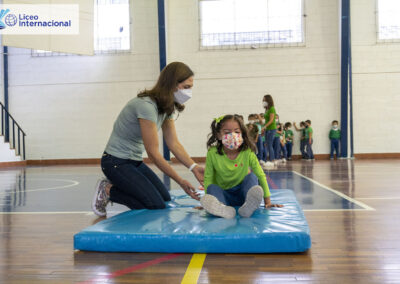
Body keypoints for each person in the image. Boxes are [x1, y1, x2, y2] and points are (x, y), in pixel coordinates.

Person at [91, 62, 204, 217]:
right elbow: (153, 153)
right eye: (186, 87)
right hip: (115, 162)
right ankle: (108, 190)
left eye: (190, 87)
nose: (189, 91)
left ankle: (117, 187)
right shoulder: (146, 106)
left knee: (164, 198)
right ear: (172, 85)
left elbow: (173, 143)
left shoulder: (166, 106)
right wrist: (180, 180)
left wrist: (193, 167)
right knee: (154, 205)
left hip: (134, 161)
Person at [200, 115, 283, 219]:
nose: (233, 135)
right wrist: (208, 197)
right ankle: (223, 209)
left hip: (243, 194)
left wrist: (268, 202)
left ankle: (247, 207)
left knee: (252, 177)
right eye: (227, 132)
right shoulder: (213, 152)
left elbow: (260, 174)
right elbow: (208, 177)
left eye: (237, 132)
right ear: (219, 135)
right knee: (212, 187)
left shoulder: (247, 151)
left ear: (242, 134)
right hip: (223, 195)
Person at [262, 95, 278, 166]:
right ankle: (268, 159)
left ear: (268, 100)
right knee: (267, 144)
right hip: (267, 129)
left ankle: (273, 160)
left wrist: (264, 126)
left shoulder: (272, 108)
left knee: (270, 144)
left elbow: (271, 120)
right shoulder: (267, 109)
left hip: (271, 129)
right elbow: (266, 120)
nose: (263, 101)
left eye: (264, 100)